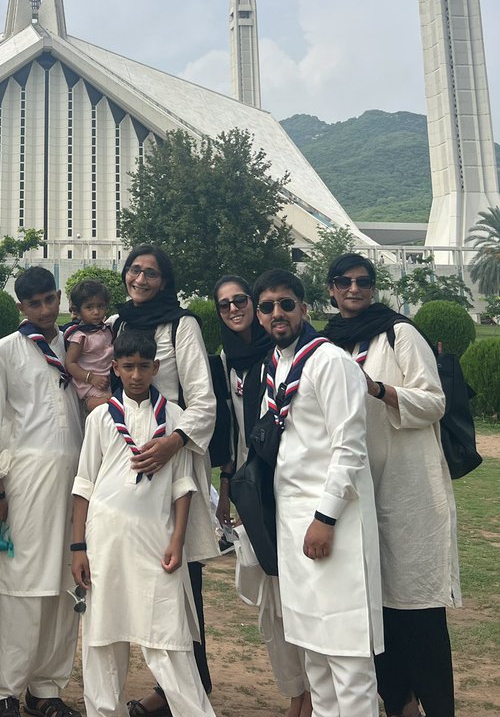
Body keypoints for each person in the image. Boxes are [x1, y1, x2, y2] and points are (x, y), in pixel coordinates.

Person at [322, 254, 459, 717]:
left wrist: (378, 389)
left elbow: (434, 400)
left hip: (405, 487)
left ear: (373, 287)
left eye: (363, 281)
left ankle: (437, 706)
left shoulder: (398, 332)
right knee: (371, 609)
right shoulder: (324, 343)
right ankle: (398, 703)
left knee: (415, 608)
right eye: (344, 282)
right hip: (355, 488)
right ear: (331, 289)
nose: (354, 289)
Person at [252, 268, 382, 717]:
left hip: (334, 520)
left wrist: (324, 519)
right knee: (313, 654)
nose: (276, 313)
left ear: (304, 308)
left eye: (286, 303)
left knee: (347, 656)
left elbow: (350, 449)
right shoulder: (275, 364)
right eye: (267, 307)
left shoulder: (329, 362)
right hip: (292, 522)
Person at [71, 328, 216, 717]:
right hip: (105, 538)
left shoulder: (175, 416)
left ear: (156, 367)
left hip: (157, 538)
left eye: (144, 367)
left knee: (168, 637)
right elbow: (84, 484)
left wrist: (179, 541)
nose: (136, 375)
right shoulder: (101, 416)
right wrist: (78, 547)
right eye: (128, 367)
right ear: (115, 368)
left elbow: (183, 487)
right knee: (102, 637)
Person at [115, 244, 219, 713]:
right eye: (134, 270)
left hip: (172, 456)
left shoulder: (181, 325)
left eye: (151, 273)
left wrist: (174, 441)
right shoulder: (119, 324)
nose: (140, 279)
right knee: (139, 572)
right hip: (129, 460)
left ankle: (188, 685)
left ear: (165, 281)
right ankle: (170, 682)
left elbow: (203, 399)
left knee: (179, 573)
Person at [0, 266, 85, 717]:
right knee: (23, 584)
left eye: (50, 300)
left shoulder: (77, 346)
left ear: (60, 297)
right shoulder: (4, 351)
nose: (45, 310)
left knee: (69, 582)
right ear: (21, 307)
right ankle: (6, 689)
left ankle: (47, 689)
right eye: (35, 303)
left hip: (77, 476)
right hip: (26, 480)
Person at [213, 275, 310, 717]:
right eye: (224, 304)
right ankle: (297, 694)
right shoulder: (224, 361)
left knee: (302, 591)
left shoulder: (287, 355)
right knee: (271, 599)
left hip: (292, 484)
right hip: (253, 489)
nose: (234, 309)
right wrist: (226, 492)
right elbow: (231, 434)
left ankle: (321, 691)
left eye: (241, 300)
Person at [64, 279, 114, 412]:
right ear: (78, 311)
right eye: (89, 307)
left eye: (101, 306)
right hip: (90, 385)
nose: (96, 312)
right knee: (107, 405)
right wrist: (91, 378)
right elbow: (70, 363)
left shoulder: (107, 329)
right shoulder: (80, 336)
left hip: (108, 382)